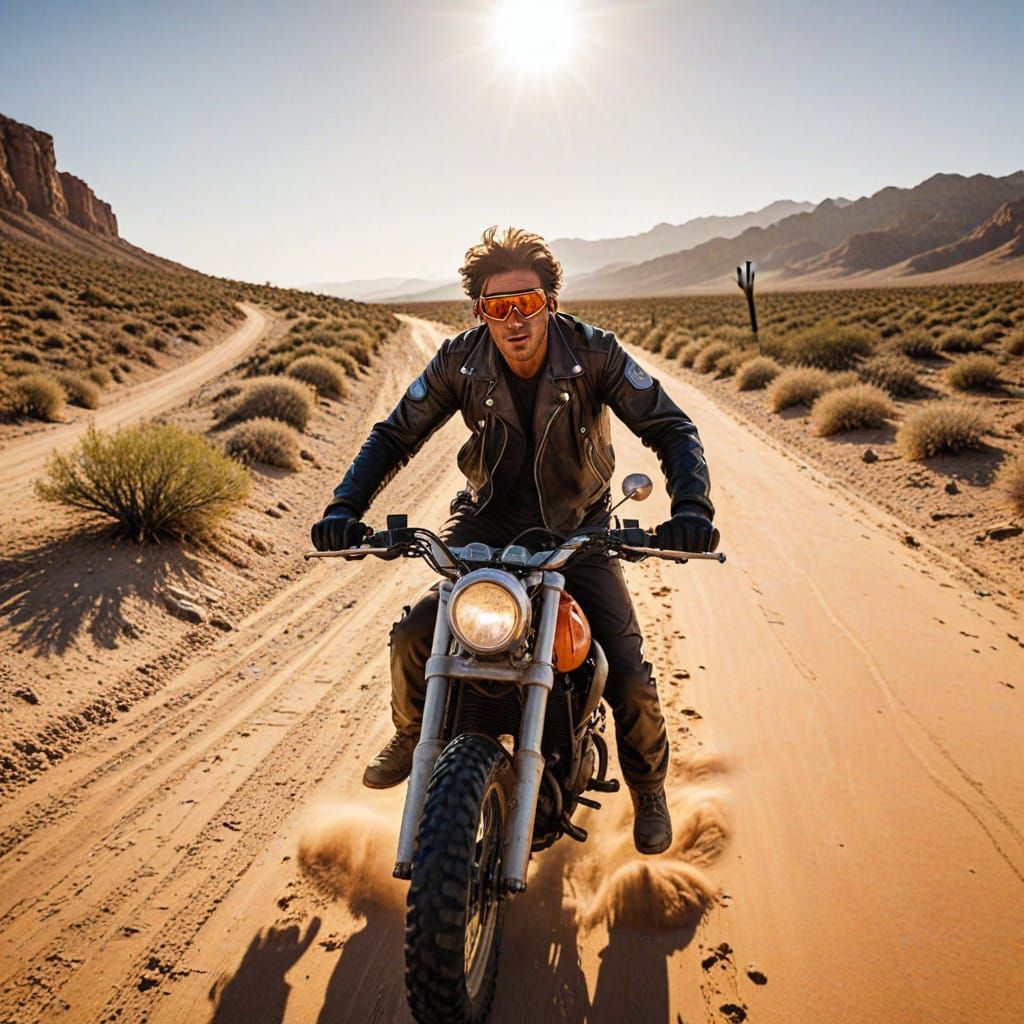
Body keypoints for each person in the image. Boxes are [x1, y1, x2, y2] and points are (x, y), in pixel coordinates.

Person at [311, 226, 716, 855]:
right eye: (497, 308)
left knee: (627, 670)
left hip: (577, 526)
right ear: (480, 311)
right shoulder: (460, 360)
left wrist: (691, 504)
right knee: (420, 631)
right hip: (485, 520)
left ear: (549, 301)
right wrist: (345, 504)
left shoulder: (595, 352)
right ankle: (413, 729)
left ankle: (650, 787)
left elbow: (670, 425)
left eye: (526, 303)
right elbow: (396, 434)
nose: (514, 320)